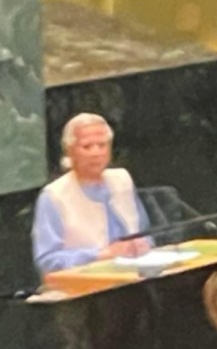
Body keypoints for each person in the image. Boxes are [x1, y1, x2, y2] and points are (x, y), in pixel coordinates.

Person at [32, 113, 152, 275]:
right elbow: (47, 260)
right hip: (84, 286)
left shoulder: (123, 180)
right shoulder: (53, 196)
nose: (96, 153)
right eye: (87, 147)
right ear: (70, 151)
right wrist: (101, 255)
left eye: (102, 145)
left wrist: (143, 245)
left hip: (135, 275)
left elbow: (146, 233)